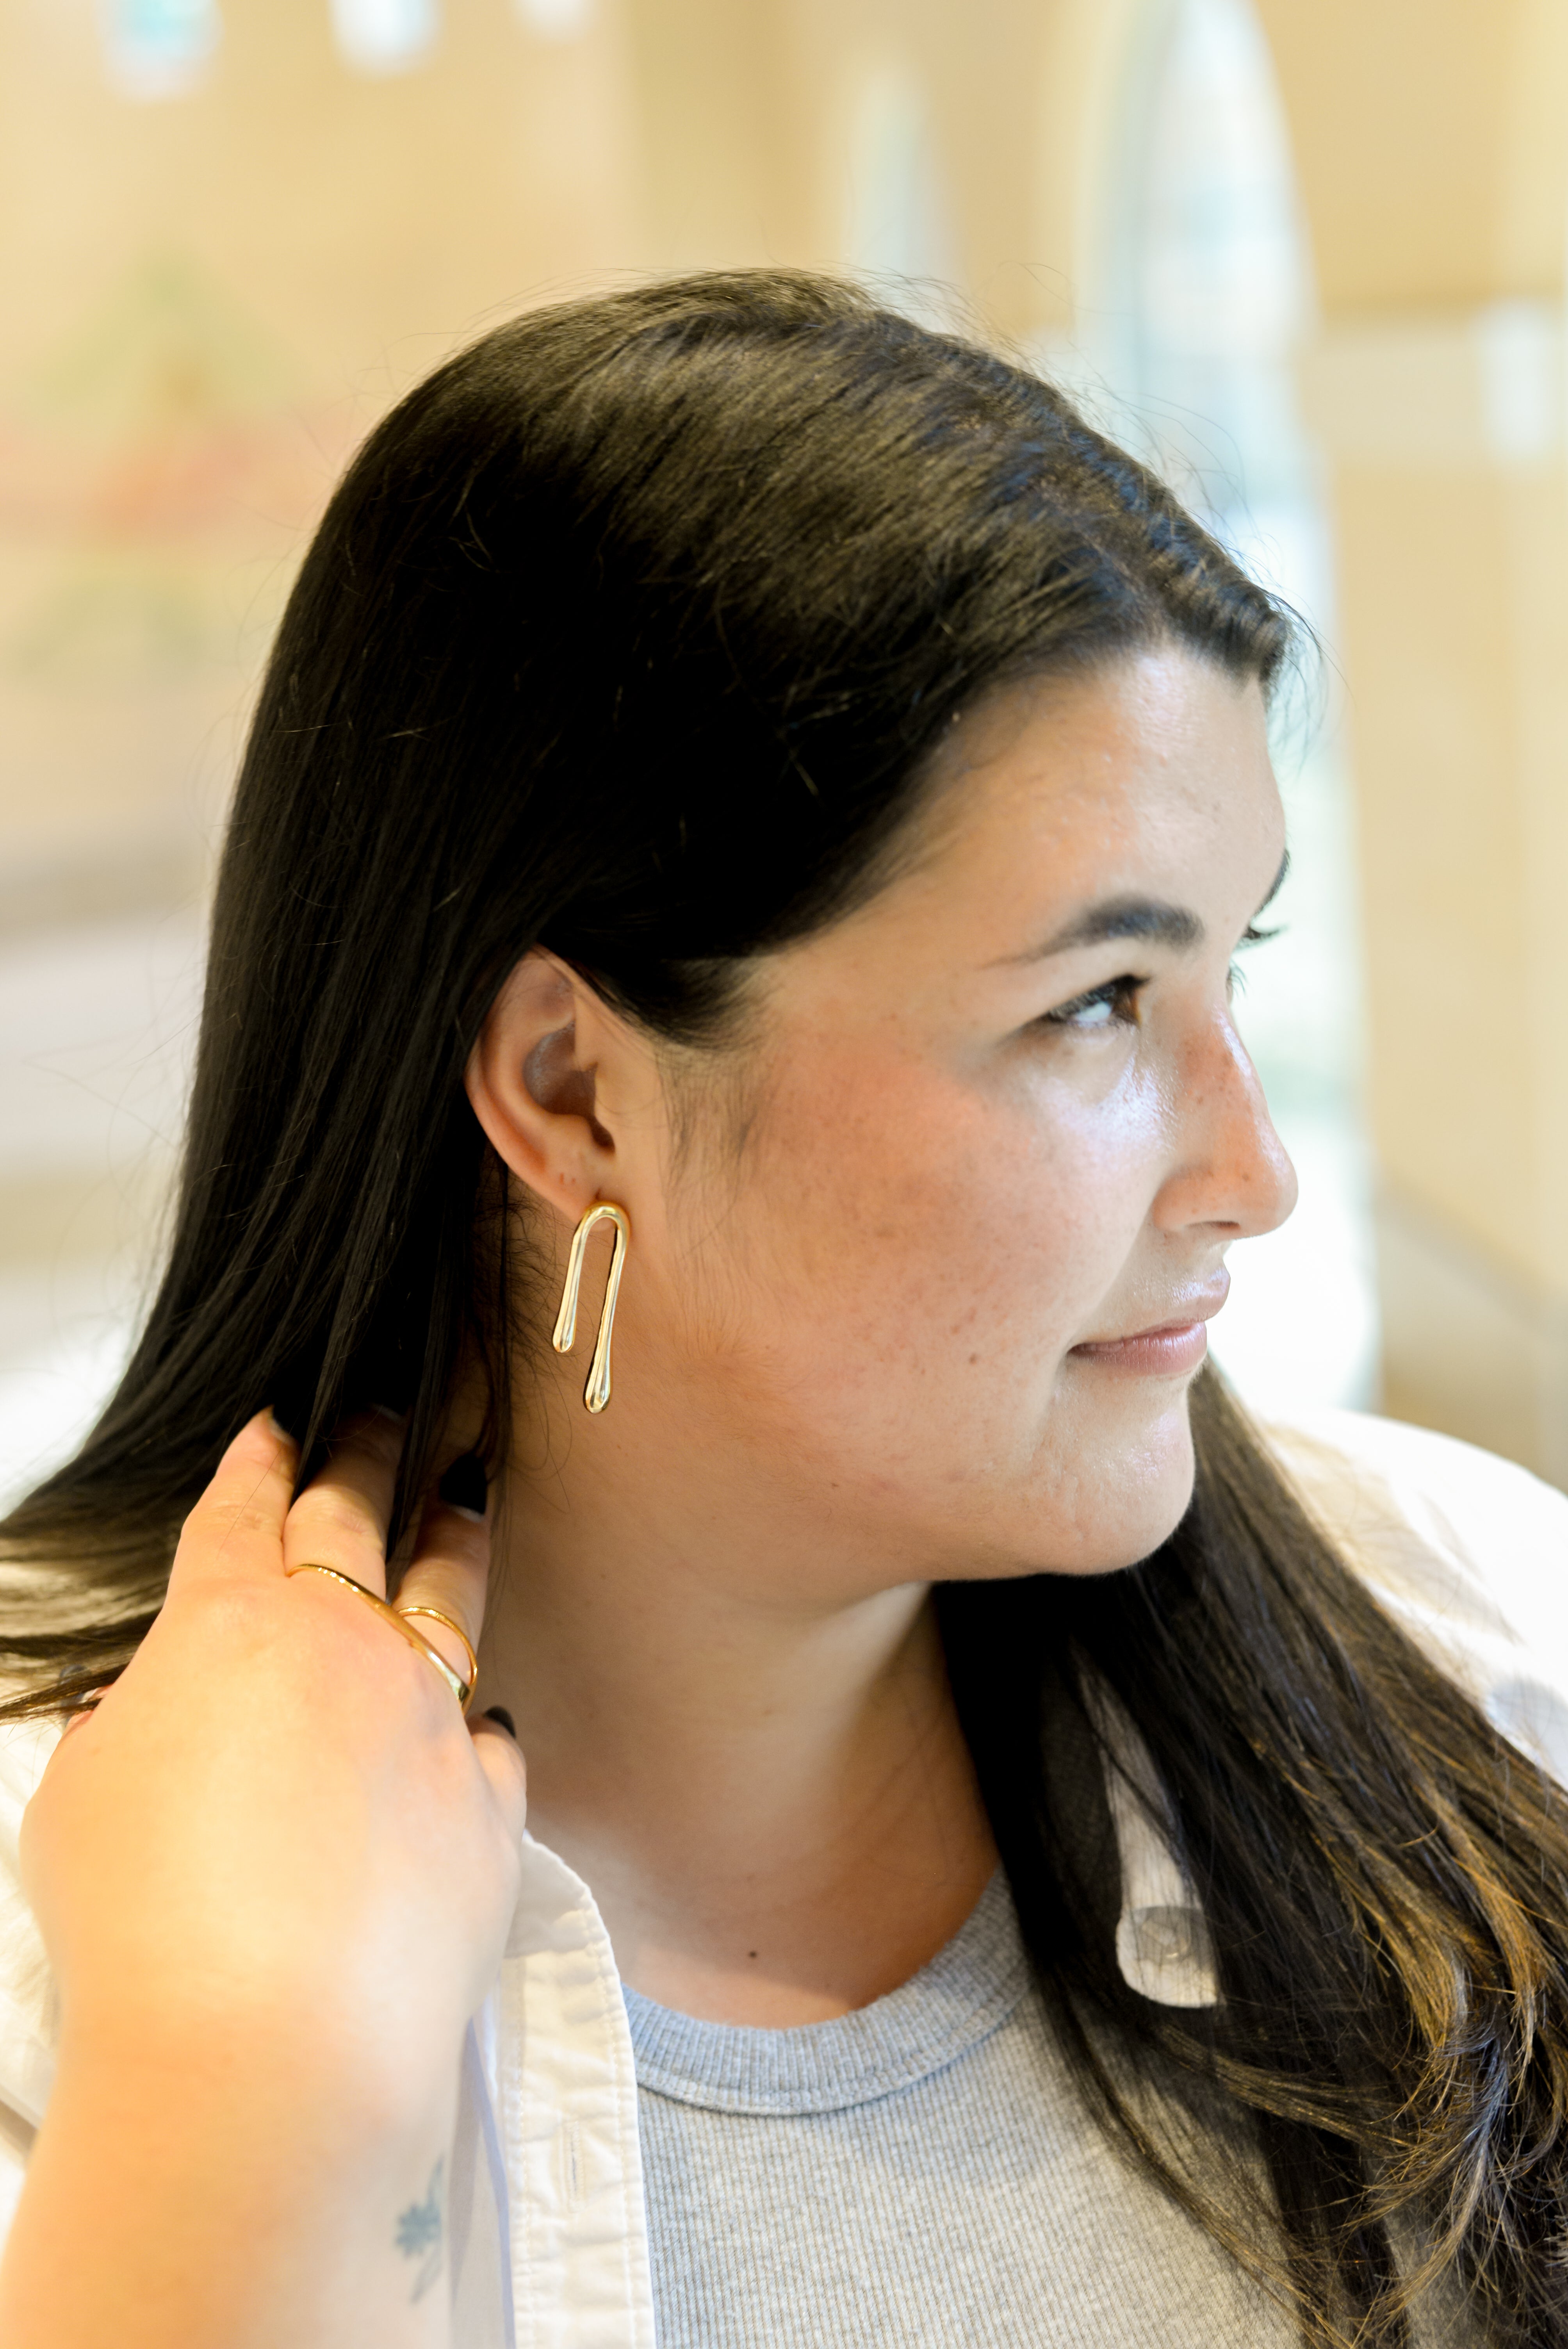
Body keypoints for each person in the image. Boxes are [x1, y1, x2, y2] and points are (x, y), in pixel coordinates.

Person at [0, 272, 1564, 2349]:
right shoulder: (80, 1969)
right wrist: (239, 2117)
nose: (1252, 1172)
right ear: (571, 1091)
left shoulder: (1479, 1651)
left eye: (1228, 975)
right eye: (1097, 1003)